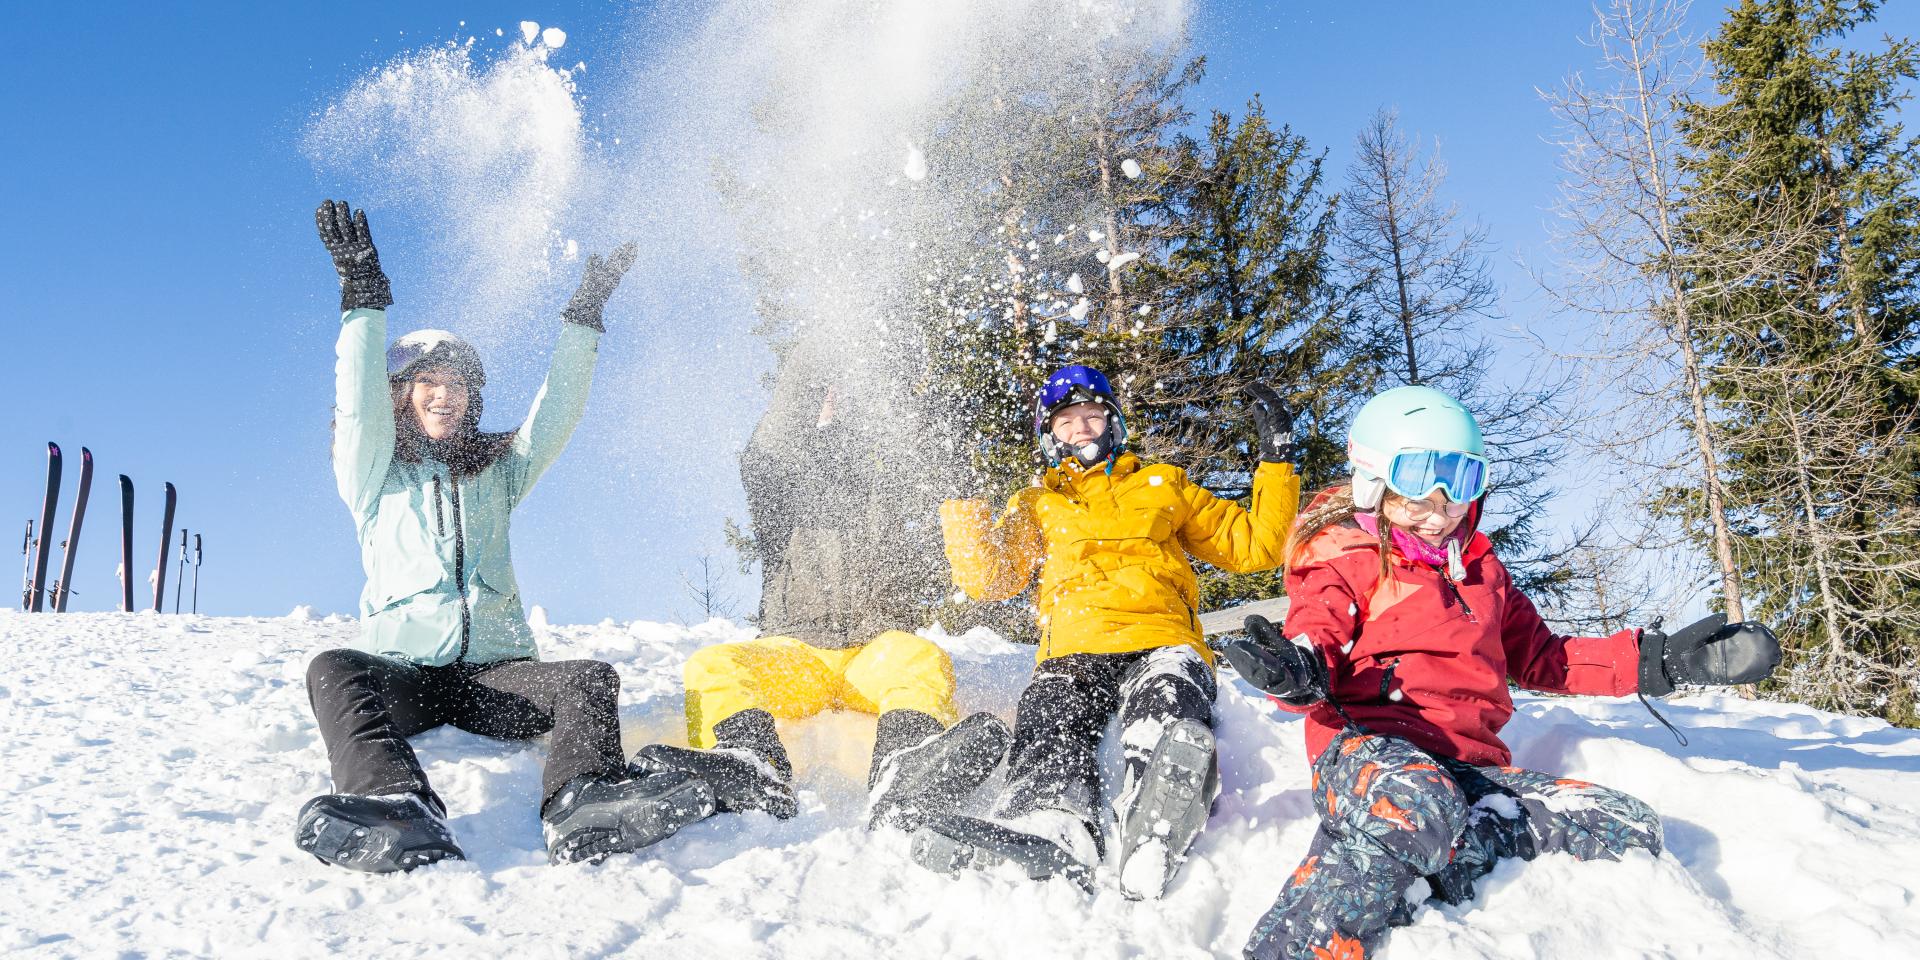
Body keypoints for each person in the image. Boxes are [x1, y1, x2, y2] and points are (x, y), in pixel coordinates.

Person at [1222, 385, 1780, 959]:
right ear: (1374, 483)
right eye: (1418, 492)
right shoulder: (1343, 557)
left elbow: (1546, 657)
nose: (1439, 513)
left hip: (1466, 770)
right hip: (1371, 753)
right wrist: (1298, 668)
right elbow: (1318, 631)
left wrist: (1661, 663)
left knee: (1621, 826)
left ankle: (1421, 856)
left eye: (1458, 490)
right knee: (1417, 803)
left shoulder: (1482, 572)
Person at [295, 199, 715, 872]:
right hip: (406, 672)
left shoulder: (496, 473)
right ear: (401, 394)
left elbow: (555, 416)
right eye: (427, 381)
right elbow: (356, 400)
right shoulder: (374, 471)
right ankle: (397, 803)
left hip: (492, 676)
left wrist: (583, 320)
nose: (444, 394)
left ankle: (583, 799)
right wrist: (362, 298)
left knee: (588, 679)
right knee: (333, 670)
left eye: (457, 384)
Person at [911, 364, 1302, 899]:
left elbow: (1254, 546)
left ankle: (1159, 806)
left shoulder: (1164, 484)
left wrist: (1277, 462)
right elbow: (990, 579)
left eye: (1092, 415)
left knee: (1169, 693)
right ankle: (1051, 817)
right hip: (1073, 646)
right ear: (1049, 435)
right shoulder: (1036, 505)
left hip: (1161, 636)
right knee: (1052, 709)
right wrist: (962, 502)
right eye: (1067, 421)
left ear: (1113, 421)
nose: (1083, 428)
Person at [632, 344, 1012, 834]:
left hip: (871, 652)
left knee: (919, 656)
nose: (833, 399)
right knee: (713, 665)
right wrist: (818, 345)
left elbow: (937, 479)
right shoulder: (778, 499)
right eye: (822, 396)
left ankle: (908, 772)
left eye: (844, 394)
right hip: (796, 653)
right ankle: (750, 765)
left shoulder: (888, 491)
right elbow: (767, 449)